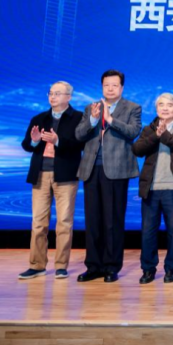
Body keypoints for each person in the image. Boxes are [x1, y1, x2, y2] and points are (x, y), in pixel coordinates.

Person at [75, 70, 142, 283]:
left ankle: (111, 266)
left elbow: (133, 132)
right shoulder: (91, 108)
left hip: (117, 170)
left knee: (112, 220)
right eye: (106, 85)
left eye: (114, 85)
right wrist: (93, 120)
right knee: (92, 220)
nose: (110, 89)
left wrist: (110, 119)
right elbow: (79, 135)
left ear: (122, 87)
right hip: (91, 169)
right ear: (102, 86)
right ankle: (93, 266)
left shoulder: (132, 107)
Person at [18, 81, 84, 279]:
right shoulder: (39, 118)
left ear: (69, 97)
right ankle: (37, 265)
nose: (52, 97)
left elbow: (81, 144)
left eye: (57, 93)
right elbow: (26, 145)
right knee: (38, 223)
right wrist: (34, 141)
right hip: (40, 174)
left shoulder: (78, 118)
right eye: (51, 93)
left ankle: (61, 265)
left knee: (64, 222)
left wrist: (58, 141)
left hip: (65, 175)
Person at [132, 93, 173, 284]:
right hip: (151, 188)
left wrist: (165, 135)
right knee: (148, 231)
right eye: (161, 105)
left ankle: (171, 269)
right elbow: (137, 149)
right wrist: (156, 136)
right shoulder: (149, 128)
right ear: (156, 108)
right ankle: (148, 269)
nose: (165, 108)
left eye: (169, 105)